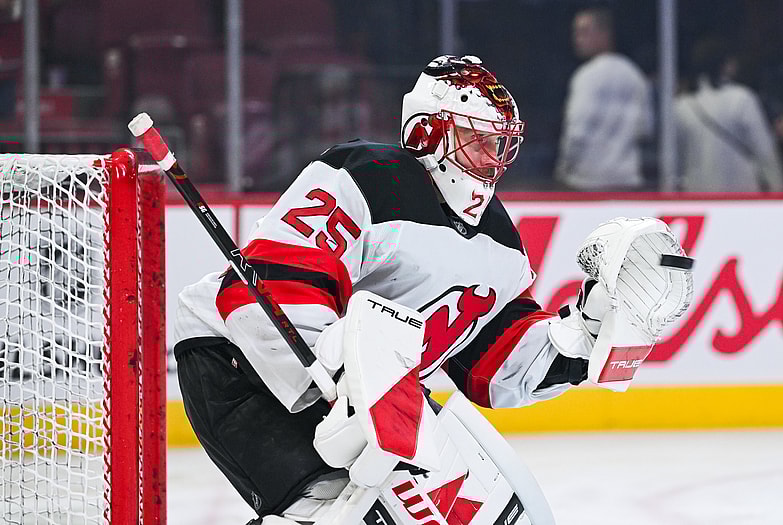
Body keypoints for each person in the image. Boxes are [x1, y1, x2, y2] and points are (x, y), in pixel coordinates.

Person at [172, 55, 689, 525]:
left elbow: (495, 367)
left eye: (501, 144)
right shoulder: (366, 177)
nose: (494, 158)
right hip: (241, 364)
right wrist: (347, 377)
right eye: (480, 140)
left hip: (373, 397)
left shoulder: (499, 243)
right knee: (340, 512)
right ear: (429, 134)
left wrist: (586, 328)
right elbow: (265, 292)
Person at [555, 7, 653, 191]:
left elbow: (576, 131)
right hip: (627, 180)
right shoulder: (634, 75)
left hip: (588, 182)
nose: (577, 39)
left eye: (584, 32)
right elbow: (646, 128)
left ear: (604, 33)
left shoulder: (586, 76)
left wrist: (563, 170)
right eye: (576, 33)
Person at [674, 38, 783, 192]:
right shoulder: (742, 98)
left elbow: (677, 158)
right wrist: (778, 193)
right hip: (741, 195)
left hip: (697, 194)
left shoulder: (682, 105)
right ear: (726, 65)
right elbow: (764, 150)